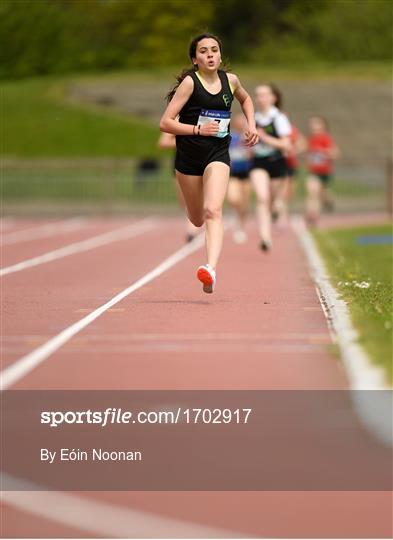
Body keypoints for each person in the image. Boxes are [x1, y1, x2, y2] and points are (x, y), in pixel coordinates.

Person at [160, 33, 258, 293]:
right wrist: (197, 130)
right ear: (195, 59)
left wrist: (251, 125)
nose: (210, 54)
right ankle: (202, 237)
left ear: (220, 55)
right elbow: (165, 123)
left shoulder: (231, 80)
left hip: (218, 155)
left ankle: (210, 269)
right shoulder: (190, 84)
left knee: (213, 210)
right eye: (203, 51)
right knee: (196, 219)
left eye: (214, 50)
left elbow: (246, 99)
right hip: (188, 159)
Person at [249, 84, 291, 250]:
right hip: (258, 162)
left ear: (274, 98)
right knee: (262, 198)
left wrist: (265, 137)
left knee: (273, 200)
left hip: (277, 162)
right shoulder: (253, 118)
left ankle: (275, 209)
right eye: (258, 95)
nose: (261, 98)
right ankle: (265, 238)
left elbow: (286, 145)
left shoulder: (279, 118)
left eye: (265, 94)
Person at [158, 132, 199, 242]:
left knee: (199, 197)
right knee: (184, 201)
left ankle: (192, 229)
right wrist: (187, 142)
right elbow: (163, 142)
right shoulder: (176, 119)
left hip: (201, 163)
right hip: (181, 164)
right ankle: (193, 222)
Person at [304, 115, 340, 226]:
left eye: (317, 123)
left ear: (323, 126)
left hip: (325, 172)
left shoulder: (326, 138)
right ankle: (312, 216)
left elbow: (336, 154)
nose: (314, 126)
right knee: (312, 192)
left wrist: (324, 152)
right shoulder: (310, 139)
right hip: (313, 172)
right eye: (312, 124)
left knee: (323, 195)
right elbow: (308, 154)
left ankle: (329, 201)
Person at [226, 113, 252, 243]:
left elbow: (255, 153)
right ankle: (235, 215)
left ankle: (241, 227)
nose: (241, 123)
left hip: (247, 173)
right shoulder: (230, 137)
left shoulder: (250, 136)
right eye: (239, 121)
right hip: (233, 173)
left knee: (244, 203)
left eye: (244, 121)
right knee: (233, 198)